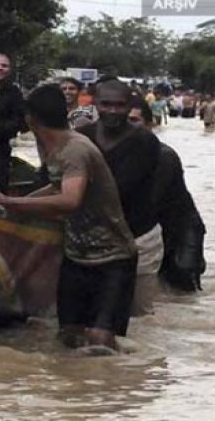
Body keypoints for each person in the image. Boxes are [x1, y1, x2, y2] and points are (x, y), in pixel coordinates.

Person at [0, 85, 137, 352]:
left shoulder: (74, 150)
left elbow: (70, 199)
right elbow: (58, 186)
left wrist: (12, 201)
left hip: (112, 259)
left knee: (99, 341)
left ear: (30, 119)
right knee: (68, 337)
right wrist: (11, 206)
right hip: (76, 256)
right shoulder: (55, 148)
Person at [77, 80, 162, 316]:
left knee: (139, 317)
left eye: (119, 105)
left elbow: (121, 188)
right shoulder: (82, 137)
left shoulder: (145, 142)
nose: (112, 111)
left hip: (138, 239)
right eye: (106, 104)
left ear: (129, 106)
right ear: (94, 104)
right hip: (91, 240)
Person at [129, 100, 207, 292]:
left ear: (150, 124)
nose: (128, 126)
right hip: (151, 234)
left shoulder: (163, 156)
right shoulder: (115, 153)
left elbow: (150, 204)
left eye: (134, 120)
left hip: (178, 233)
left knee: (180, 295)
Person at [0, 53, 25, 191]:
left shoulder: (14, 92)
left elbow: (19, 121)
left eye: (4, 66)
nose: (0, 68)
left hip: (0, 149)